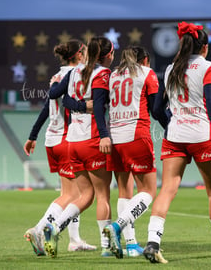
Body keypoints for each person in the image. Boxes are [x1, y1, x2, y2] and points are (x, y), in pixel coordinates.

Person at [143, 21, 211, 264]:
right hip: (202, 136)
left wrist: (171, 125)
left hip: (175, 136)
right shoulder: (209, 67)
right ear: (205, 48)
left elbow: (156, 108)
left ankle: (152, 243)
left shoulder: (170, 69)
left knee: (167, 189)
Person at [23, 39, 96, 256]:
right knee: (72, 194)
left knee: (75, 192)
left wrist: (33, 135)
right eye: (84, 52)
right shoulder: (75, 75)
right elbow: (66, 104)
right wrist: (85, 106)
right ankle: (38, 230)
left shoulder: (57, 75)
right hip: (66, 138)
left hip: (52, 139)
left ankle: (74, 239)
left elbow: (47, 106)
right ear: (80, 54)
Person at [42, 36, 114, 258]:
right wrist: (104, 135)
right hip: (92, 140)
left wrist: (78, 104)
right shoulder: (102, 74)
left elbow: (56, 96)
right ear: (107, 55)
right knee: (103, 195)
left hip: (72, 141)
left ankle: (55, 227)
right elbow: (100, 108)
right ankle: (107, 246)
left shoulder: (74, 72)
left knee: (86, 195)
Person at [102, 46, 161, 259]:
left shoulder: (113, 75)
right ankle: (117, 227)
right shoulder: (147, 73)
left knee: (124, 191)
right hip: (136, 134)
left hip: (114, 137)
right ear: (145, 60)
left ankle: (131, 244)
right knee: (148, 192)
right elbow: (155, 110)